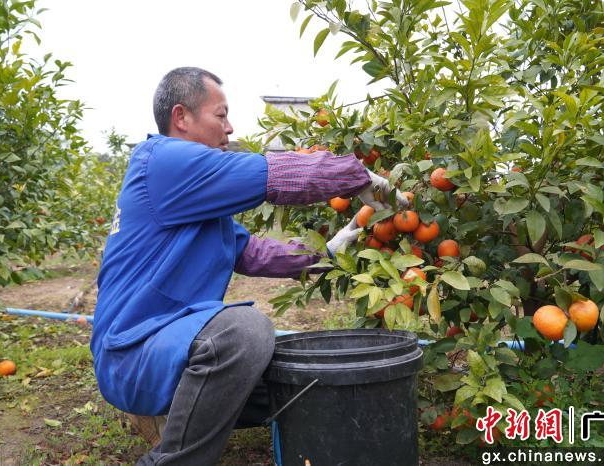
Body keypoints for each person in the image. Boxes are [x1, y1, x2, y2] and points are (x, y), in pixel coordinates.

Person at [90, 67, 407, 465]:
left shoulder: (196, 198)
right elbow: (270, 174)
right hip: (133, 354)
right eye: (220, 115)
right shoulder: (165, 163)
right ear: (181, 117)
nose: (229, 128)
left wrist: (326, 251)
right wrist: (354, 175)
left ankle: (176, 419)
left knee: (294, 380)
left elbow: (251, 252)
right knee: (243, 331)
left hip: (167, 347)